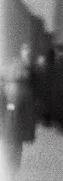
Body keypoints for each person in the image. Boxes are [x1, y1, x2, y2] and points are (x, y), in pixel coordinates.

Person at [0, 43, 37, 171]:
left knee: (16, 140)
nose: (28, 54)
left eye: (29, 51)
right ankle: (11, 166)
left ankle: (13, 166)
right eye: (26, 51)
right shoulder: (16, 67)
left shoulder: (28, 67)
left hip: (20, 108)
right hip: (14, 106)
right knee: (12, 138)